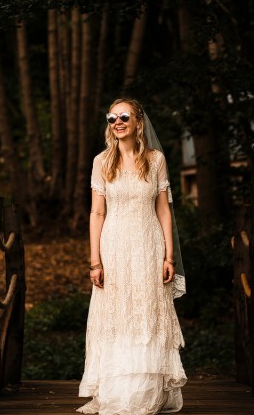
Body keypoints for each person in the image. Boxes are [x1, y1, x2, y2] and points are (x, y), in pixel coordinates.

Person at [77, 98, 187, 415]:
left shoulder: (155, 160)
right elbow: (96, 213)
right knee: (117, 314)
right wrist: (94, 260)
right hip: (114, 247)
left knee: (146, 312)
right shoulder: (102, 162)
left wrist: (169, 255)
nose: (117, 122)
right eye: (112, 117)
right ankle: (115, 391)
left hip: (148, 244)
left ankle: (146, 392)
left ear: (138, 121)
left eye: (124, 116)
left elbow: (163, 209)